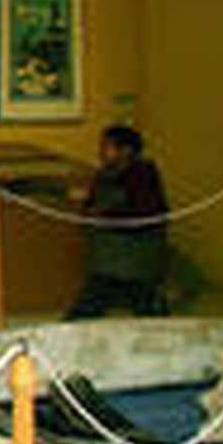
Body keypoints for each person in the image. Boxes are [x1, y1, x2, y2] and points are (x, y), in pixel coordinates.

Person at [66, 125, 171, 319]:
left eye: (107, 146)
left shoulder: (143, 173)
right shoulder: (104, 174)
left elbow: (145, 213)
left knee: (129, 297)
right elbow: (91, 205)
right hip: (108, 256)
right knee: (112, 296)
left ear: (126, 150)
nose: (101, 151)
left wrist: (104, 216)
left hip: (135, 254)